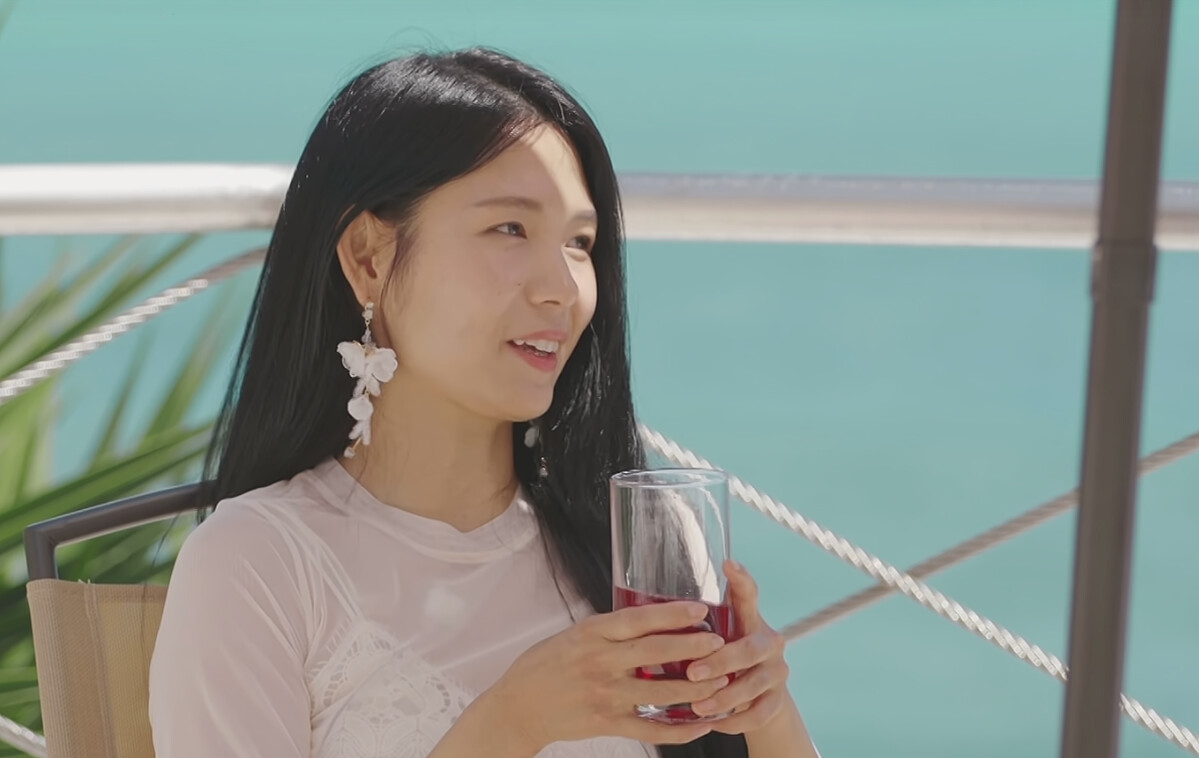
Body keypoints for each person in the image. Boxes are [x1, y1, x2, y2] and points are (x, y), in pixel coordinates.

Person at [147, 47, 820, 758]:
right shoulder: (255, 564)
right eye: (511, 229)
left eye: (580, 241)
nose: (562, 288)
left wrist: (766, 714)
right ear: (369, 257)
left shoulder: (634, 545)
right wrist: (513, 723)